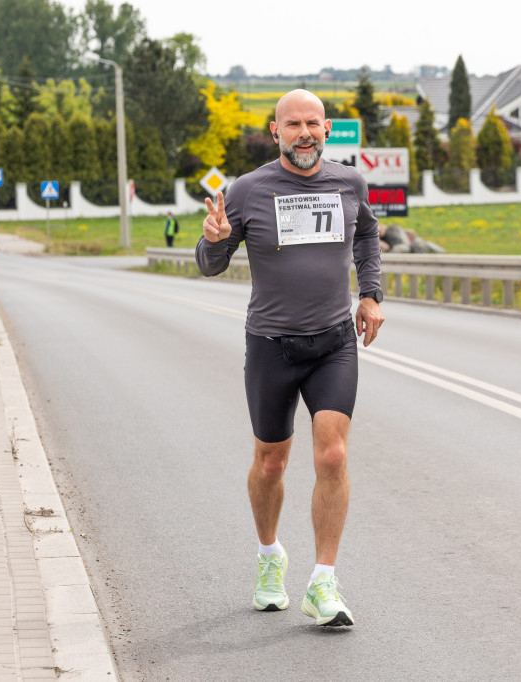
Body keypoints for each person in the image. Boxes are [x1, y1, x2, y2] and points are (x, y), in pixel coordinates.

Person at [196, 89, 384, 628]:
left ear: (327, 130)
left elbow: (368, 234)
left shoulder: (348, 182)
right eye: (293, 124)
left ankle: (323, 581)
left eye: (313, 124)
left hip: (332, 342)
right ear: (274, 132)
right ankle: (269, 557)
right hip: (272, 346)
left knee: (332, 456)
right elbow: (211, 264)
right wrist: (213, 240)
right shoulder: (249, 191)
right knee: (271, 461)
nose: (304, 133)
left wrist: (370, 294)